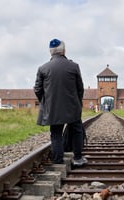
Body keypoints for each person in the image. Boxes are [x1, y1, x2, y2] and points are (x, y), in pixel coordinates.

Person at [34, 38, 87, 166]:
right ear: (63, 50)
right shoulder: (73, 66)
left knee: (56, 133)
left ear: (51, 52)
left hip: (53, 107)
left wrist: (46, 103)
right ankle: (78, 158)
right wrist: (77, 102)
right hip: (72, 106)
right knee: (77, 130)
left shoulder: (43, 68)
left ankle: (58, 160)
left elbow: (37, 89)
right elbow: (80, 88)